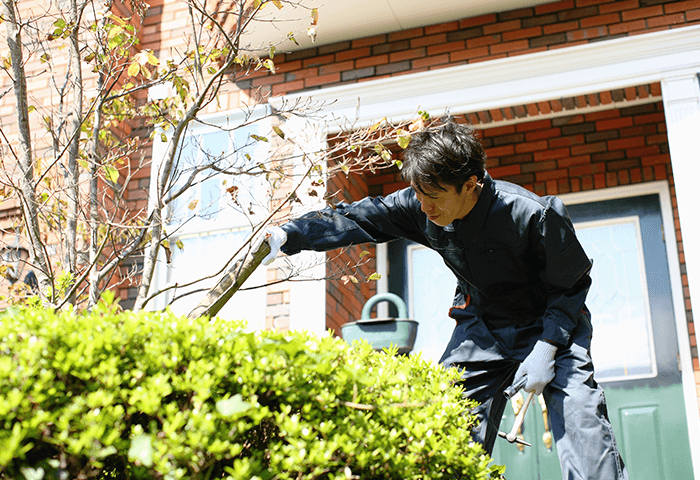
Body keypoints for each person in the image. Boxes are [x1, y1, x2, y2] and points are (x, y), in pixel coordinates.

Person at [261, 120, 628, 479]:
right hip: (483, 328)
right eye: (419, 194)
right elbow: (357, 217)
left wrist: (547, 348)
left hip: (553, 325)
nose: (423, 207)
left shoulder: (533, 214)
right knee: (443, 424)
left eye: (433, 197)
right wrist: (287, 236)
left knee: (584, 431)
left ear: (471, 184)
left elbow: (571, 285)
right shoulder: (419, 204)